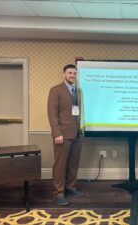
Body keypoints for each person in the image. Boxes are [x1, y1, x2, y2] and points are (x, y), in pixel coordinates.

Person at [47, 64, 84, 206]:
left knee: (73, 164)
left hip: (77, 134)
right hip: (62, 135)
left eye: (74, 73)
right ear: (64, 74)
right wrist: (57, 133)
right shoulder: (56, 90)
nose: (72, 76)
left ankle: (70, 187)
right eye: (70, 73)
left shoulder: (78, 91)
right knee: (60, 165)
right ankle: (58, 193)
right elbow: (52, 114)